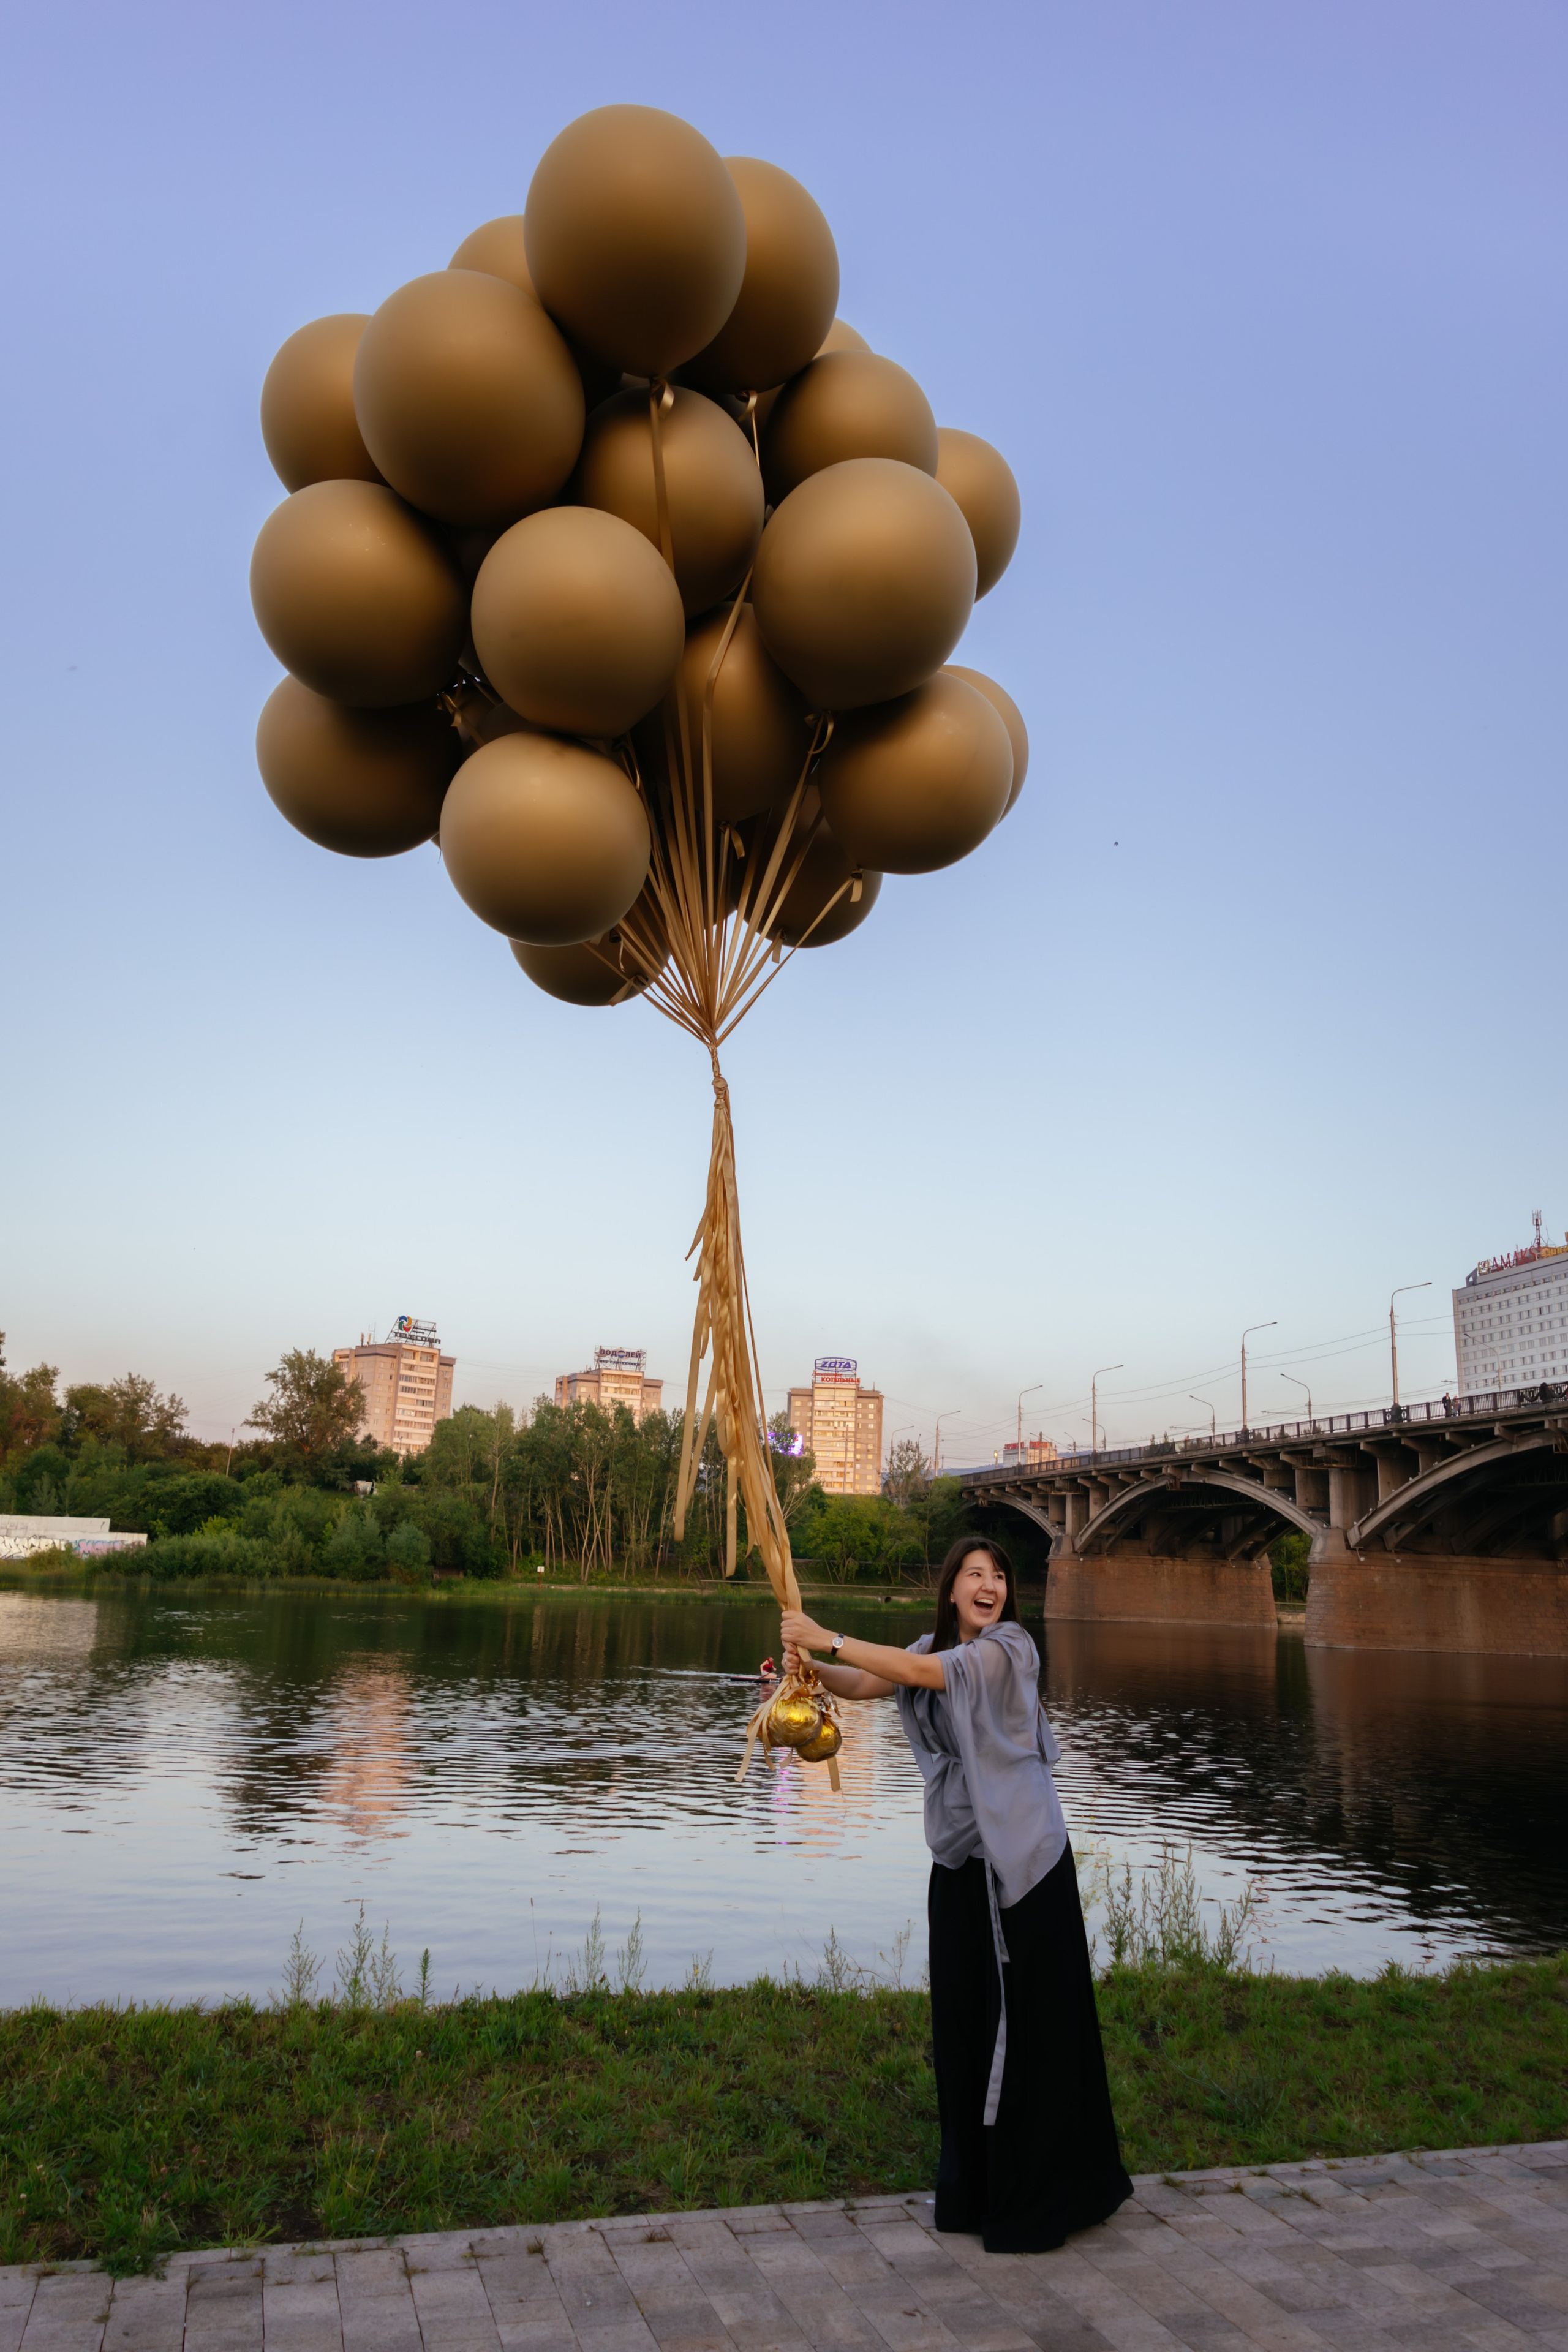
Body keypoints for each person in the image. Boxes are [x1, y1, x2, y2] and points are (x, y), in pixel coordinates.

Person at [780, 1536, 1132, 2254]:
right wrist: (809, 1672)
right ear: (950, 1590)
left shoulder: (1010, 1650)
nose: (989, 1584)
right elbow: (872, 1683)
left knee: (1031, 2024)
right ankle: (974, 2186)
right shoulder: (931, 1648)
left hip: (1024, 1860)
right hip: (960, 1856)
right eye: (975, 1574)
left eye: (998, 1575)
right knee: (965, 2017)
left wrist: (828, 1635)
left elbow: (916, 1672)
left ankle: (1043, 2190)